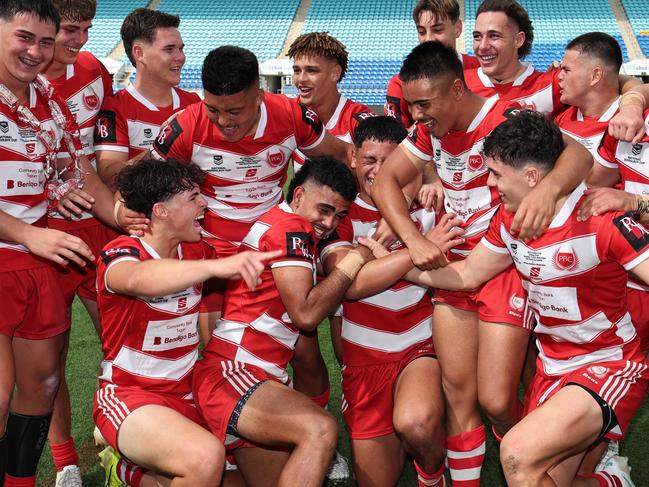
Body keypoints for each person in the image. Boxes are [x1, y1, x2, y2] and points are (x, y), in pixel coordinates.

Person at [365, 110, 648, 486]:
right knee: (537, 476)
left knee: (515, 453)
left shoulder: (599, 220)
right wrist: (396, 264)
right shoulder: (507, 220)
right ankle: (612, 482)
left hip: (608, 364)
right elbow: (466, 275)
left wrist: (640, 204)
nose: (491, 185)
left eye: (496, 175)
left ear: (532, 177)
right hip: (552, 369)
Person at [371, 41, 592, 486]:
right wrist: (413, 239)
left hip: (502, 269)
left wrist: (547, 193)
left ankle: (537, 462)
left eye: (423, 104)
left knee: (496, 400)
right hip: (455, 267)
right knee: (458, 395)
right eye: (411, 105)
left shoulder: (507, 114)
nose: (415, 115)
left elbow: (580, 155)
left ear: (456, 89)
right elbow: (386, 182)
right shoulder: (428, 131)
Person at [93, 158, 278, 487]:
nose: (204, 203)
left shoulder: (196, 251)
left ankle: (134, 471)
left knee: (247, 476)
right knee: (205, 458)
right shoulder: (120, 252)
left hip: (188, 391)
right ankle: (124, 463)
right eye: (193, 197)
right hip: (129, 393)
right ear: (161, 210)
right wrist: (213, 269)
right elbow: (138, 279)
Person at [148, 45, 352, 343]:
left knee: (304, 352)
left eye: (234, 111)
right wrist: (123, 210)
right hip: (213, 250)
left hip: (274, 245)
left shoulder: (292, 116)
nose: (224, 121)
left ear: (259, 97)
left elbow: (344, 158)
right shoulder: (186, 126)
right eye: (213, 109)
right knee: (219, 346)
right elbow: (140, 180)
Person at [193, 156, 373, 487]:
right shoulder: (293, 228)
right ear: (299, 195)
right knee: (320, 428)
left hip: (258, 376)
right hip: (236, 371)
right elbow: (306, 314)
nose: (330, 223)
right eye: (325, 209)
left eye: (339, 215)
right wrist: (356, 260)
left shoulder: (282, 223)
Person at [0, 1, 115, 486]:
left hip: (40, 259)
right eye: (24, 37)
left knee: (40, 385)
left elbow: (70, 171)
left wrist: (109, 210)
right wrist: (28, 233)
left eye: (45, 41)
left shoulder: (46, 98)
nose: (37, 51)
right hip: (13, 253)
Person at [319, 116, 464, 487]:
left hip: (419, 347)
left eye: (390, 161)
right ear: (352, 157)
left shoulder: (431, 206)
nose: (379, 171)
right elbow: (348, 285)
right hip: (365, 362)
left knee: (414, 424)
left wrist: (378, 252)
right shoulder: (338, 214)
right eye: (369, 160)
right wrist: (416, 247)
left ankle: (432, 476)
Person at [42, 1, 117, 483]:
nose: (82, 40)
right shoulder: (14, 80)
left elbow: (96, 153)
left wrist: (115, 214)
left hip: (95, 225)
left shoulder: (95, 70)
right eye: (72, 29)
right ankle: (66, 460)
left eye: (88, 28)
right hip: (39, 236)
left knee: (119, 340)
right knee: (47, 360)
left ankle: (115, 433)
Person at [467, 0, 648, 140]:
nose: (482, 46)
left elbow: (617, 81)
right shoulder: (460, 83)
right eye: (477, 36)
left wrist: (632, 106)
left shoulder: (552, 85)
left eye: (494, 36)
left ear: (518, 40)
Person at [94, 8, 200, 189]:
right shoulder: (115, 107)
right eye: (169, 49)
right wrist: (160, 147)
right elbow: (111, 178)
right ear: (139, 53)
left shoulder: (194, 104)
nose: (180, 57)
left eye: (181, 49)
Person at [384, 0, 480, 128]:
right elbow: (394, 140)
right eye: (422, 32)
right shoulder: (400, 83)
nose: (428, 39)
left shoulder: (481, 69)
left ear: (458, 28)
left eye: (437, 30)